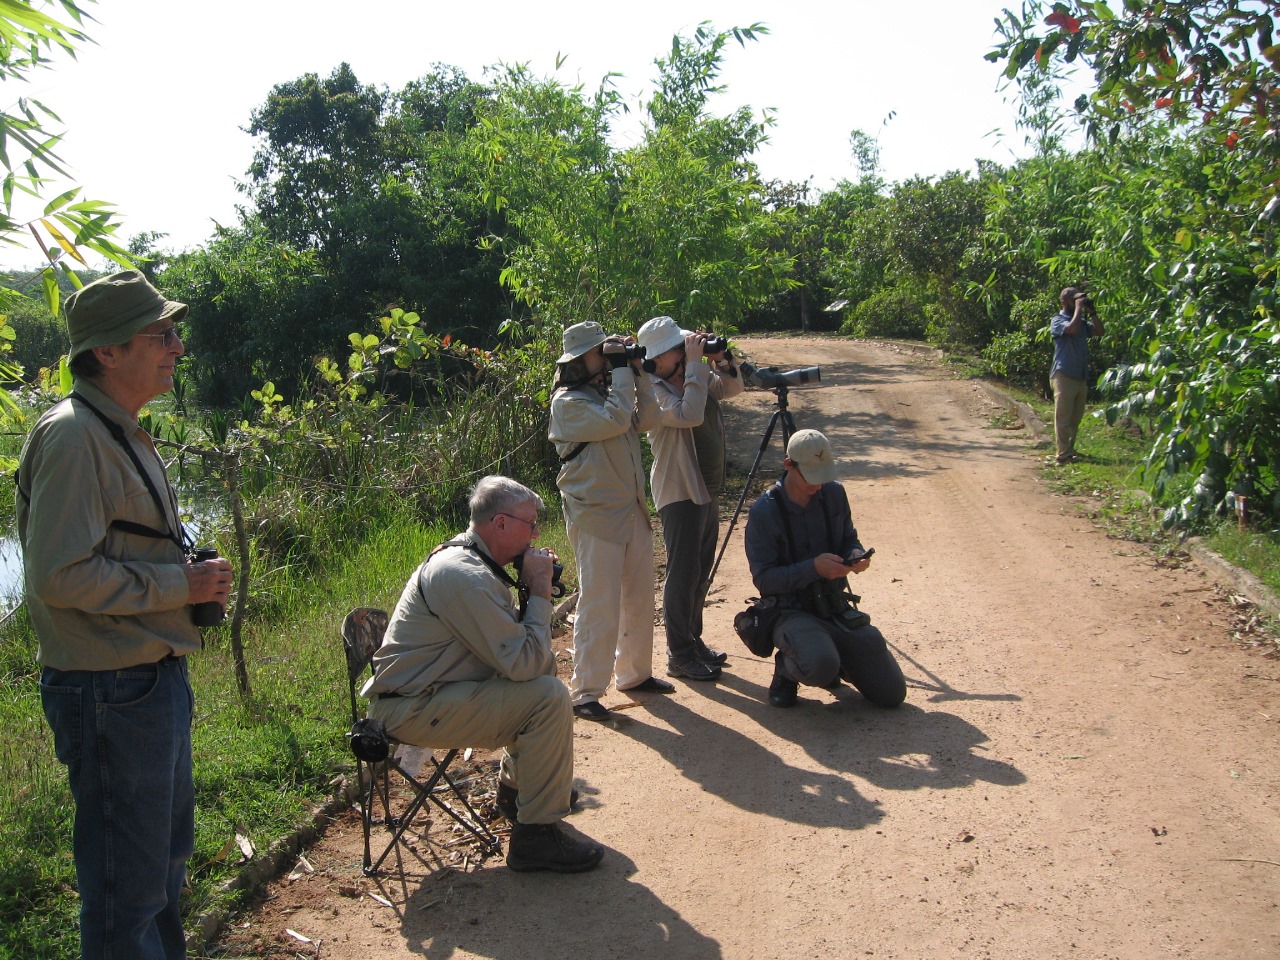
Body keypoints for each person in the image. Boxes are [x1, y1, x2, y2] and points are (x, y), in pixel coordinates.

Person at [16, 270, 234, 960]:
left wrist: (183, 579)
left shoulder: (117, 431)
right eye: (161, 333)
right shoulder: (75, 438)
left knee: (161, 876)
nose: (178, 345)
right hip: (110, 690)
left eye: (174, 331)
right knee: (127, 896)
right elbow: (59, 575)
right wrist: (180, 584)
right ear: (106, 352)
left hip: (144, 681)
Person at [362, 476, 604, 873]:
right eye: (531, 524)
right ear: (502, 524)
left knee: (538, 686)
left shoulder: (477, 561)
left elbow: (526, 660)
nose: (537, 533)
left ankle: (518, 794)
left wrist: (531, 592)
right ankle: (535, 836)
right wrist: (540, 590)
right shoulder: (464, 575)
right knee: (548, 698)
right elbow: (525, 663)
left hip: (435, 692)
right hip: (410, 708)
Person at [548, 321, 667, 722]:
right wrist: (620, 373)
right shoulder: (567, 403)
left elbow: (647, 419)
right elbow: (617, 420)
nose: (607, 359)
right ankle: (585, 693)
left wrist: (637, 373)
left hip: (629, 506)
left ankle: (635, 675)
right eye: (602, 353)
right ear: (582, 360)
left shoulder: (608, 390)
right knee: (600, 603)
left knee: (638, 596)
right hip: (595, 512)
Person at [743, 429, 906, 710]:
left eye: (823, 473)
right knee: (819, 666)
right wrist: (813, 568)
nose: (818, 484)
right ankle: (787, 669)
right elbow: (765, 580)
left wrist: (855, 555)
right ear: (788, 465)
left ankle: (835, 658)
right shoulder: (765, 512)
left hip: (834, 606)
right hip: (790, 611)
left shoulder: (834, 492)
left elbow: (848, 539)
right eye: (811, 475)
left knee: (891, 694)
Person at [636, 316, 744, 682]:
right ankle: (678, 653)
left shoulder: (690, 375)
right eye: (675, 352)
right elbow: (690, 414)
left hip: (705, 487)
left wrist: (724, 360)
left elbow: (730, 389)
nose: (658, 362)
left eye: (679, 350)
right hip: (679, 490)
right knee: (682, 574)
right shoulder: (652, 391)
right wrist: (696, 366)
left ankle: (693, 641)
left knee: (700, 570)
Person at [1049, 286, 1105, 465]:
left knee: (1075, 417)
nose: (1078, 302)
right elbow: (1071, 329)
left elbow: (1099, 331)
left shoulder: (1080, 322)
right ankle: (1062, 454)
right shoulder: (1058, 320)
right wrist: (1079, 310)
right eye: (1074, 300)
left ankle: (1069, 450)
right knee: (1063, 417)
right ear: (1064, 302)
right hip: (1063, 374)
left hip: (1080, 375)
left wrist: (1092, 311)